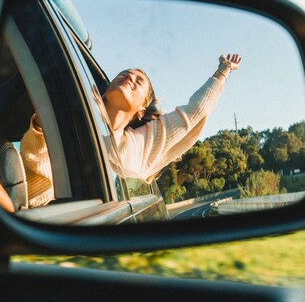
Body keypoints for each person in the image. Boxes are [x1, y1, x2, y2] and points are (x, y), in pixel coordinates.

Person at [20, 54, 242, 207]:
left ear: (141, 109)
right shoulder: (76, 116)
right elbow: (38, 167)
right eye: (124, 74)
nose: (130, 78)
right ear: (105, 91)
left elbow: (193, 114)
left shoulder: (141, 144)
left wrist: (222, 72)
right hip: (31, 207)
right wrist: (44, 123)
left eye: (139, 81)